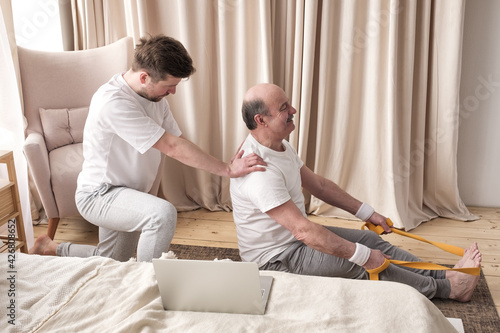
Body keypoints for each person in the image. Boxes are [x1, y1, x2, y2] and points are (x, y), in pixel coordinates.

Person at [229, 83, 481, 301]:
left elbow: (319, 186)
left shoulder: (279, 145)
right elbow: (303, 230)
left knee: (372, 242)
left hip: (294, 239)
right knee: (364, 262)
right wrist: (362, 256)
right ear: (261, 121)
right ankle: (448, 289)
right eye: (283, 108)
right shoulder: (259, 171)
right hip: (276, 259)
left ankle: (443, 274)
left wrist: (367, 213)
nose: (293, 110)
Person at [30, 34, 266, 262]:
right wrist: (227, 169)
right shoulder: (113, 102)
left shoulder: (155, 98)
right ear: (144, 78)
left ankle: (52, 248)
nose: (173, 92)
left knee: (113, 261)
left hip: (129, 194)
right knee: (162, 215)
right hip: (99, 195)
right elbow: (172, 147)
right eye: (169, 86)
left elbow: (180, 141)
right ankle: (146, 284)